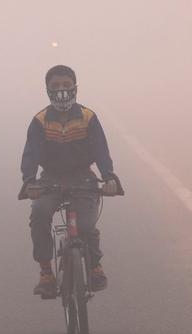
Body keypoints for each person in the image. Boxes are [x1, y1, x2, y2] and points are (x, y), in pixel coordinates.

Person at [20, 65, 122, 299]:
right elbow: (31, 155)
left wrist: (108, 177)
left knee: (86, 227)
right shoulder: (40, 120)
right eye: (55, 86)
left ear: (75, 86)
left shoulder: (88, 117)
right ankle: (46, 273)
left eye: (66, 85)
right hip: (50, 180)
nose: (62, 90)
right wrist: (29, 182)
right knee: (39, 215)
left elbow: (101, 151)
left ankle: (95, 266)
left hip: (83, 178)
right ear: (47, 90)